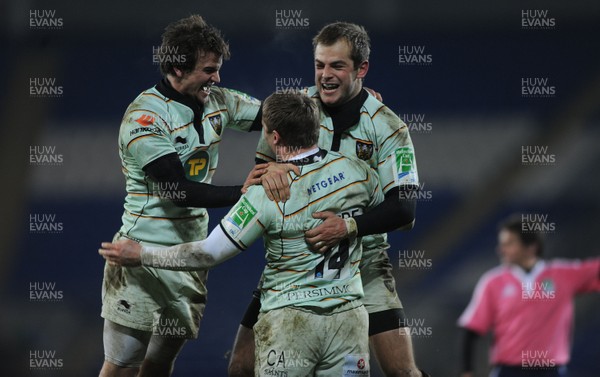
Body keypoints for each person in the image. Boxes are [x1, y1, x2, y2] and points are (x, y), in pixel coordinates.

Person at [100, 92, 385, 376]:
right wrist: (349, 226)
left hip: (290, 321)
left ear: (274, 138)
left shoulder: (268, 191)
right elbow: (390, 215)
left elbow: (208, 253)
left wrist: (141, 255)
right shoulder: (357, 172)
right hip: (349, 321)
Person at [229, 22, 428, 377]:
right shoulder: (295, 109)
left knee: (402, 372)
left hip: (362, 266)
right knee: (241, 367)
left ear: (361, 69)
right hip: (292, 268)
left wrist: (348, 227)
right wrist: (268, 170)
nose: (325, 75)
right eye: (320, 65)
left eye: (337, 66)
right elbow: (263, 168)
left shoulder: (389, 129)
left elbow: (404, 207)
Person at [99, 15, 284, 377]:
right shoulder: (145, 119)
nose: (216, 78)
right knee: (121, 367)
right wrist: (242, 192)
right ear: (176, 69)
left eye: (217, 69)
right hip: (140, 258)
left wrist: (346, 97)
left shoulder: (218, 101)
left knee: (160, 363)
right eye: (209, 70)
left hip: (189, 257)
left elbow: (275, 116)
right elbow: (177, 190)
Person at [458, 215, 600, 377]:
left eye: (509, 244)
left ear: (531, 247)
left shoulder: (563, 275)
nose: (501, 249)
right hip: (508, 371)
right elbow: (472, 330)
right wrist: (466, 370)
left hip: (551, 371)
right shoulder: (493, 282)